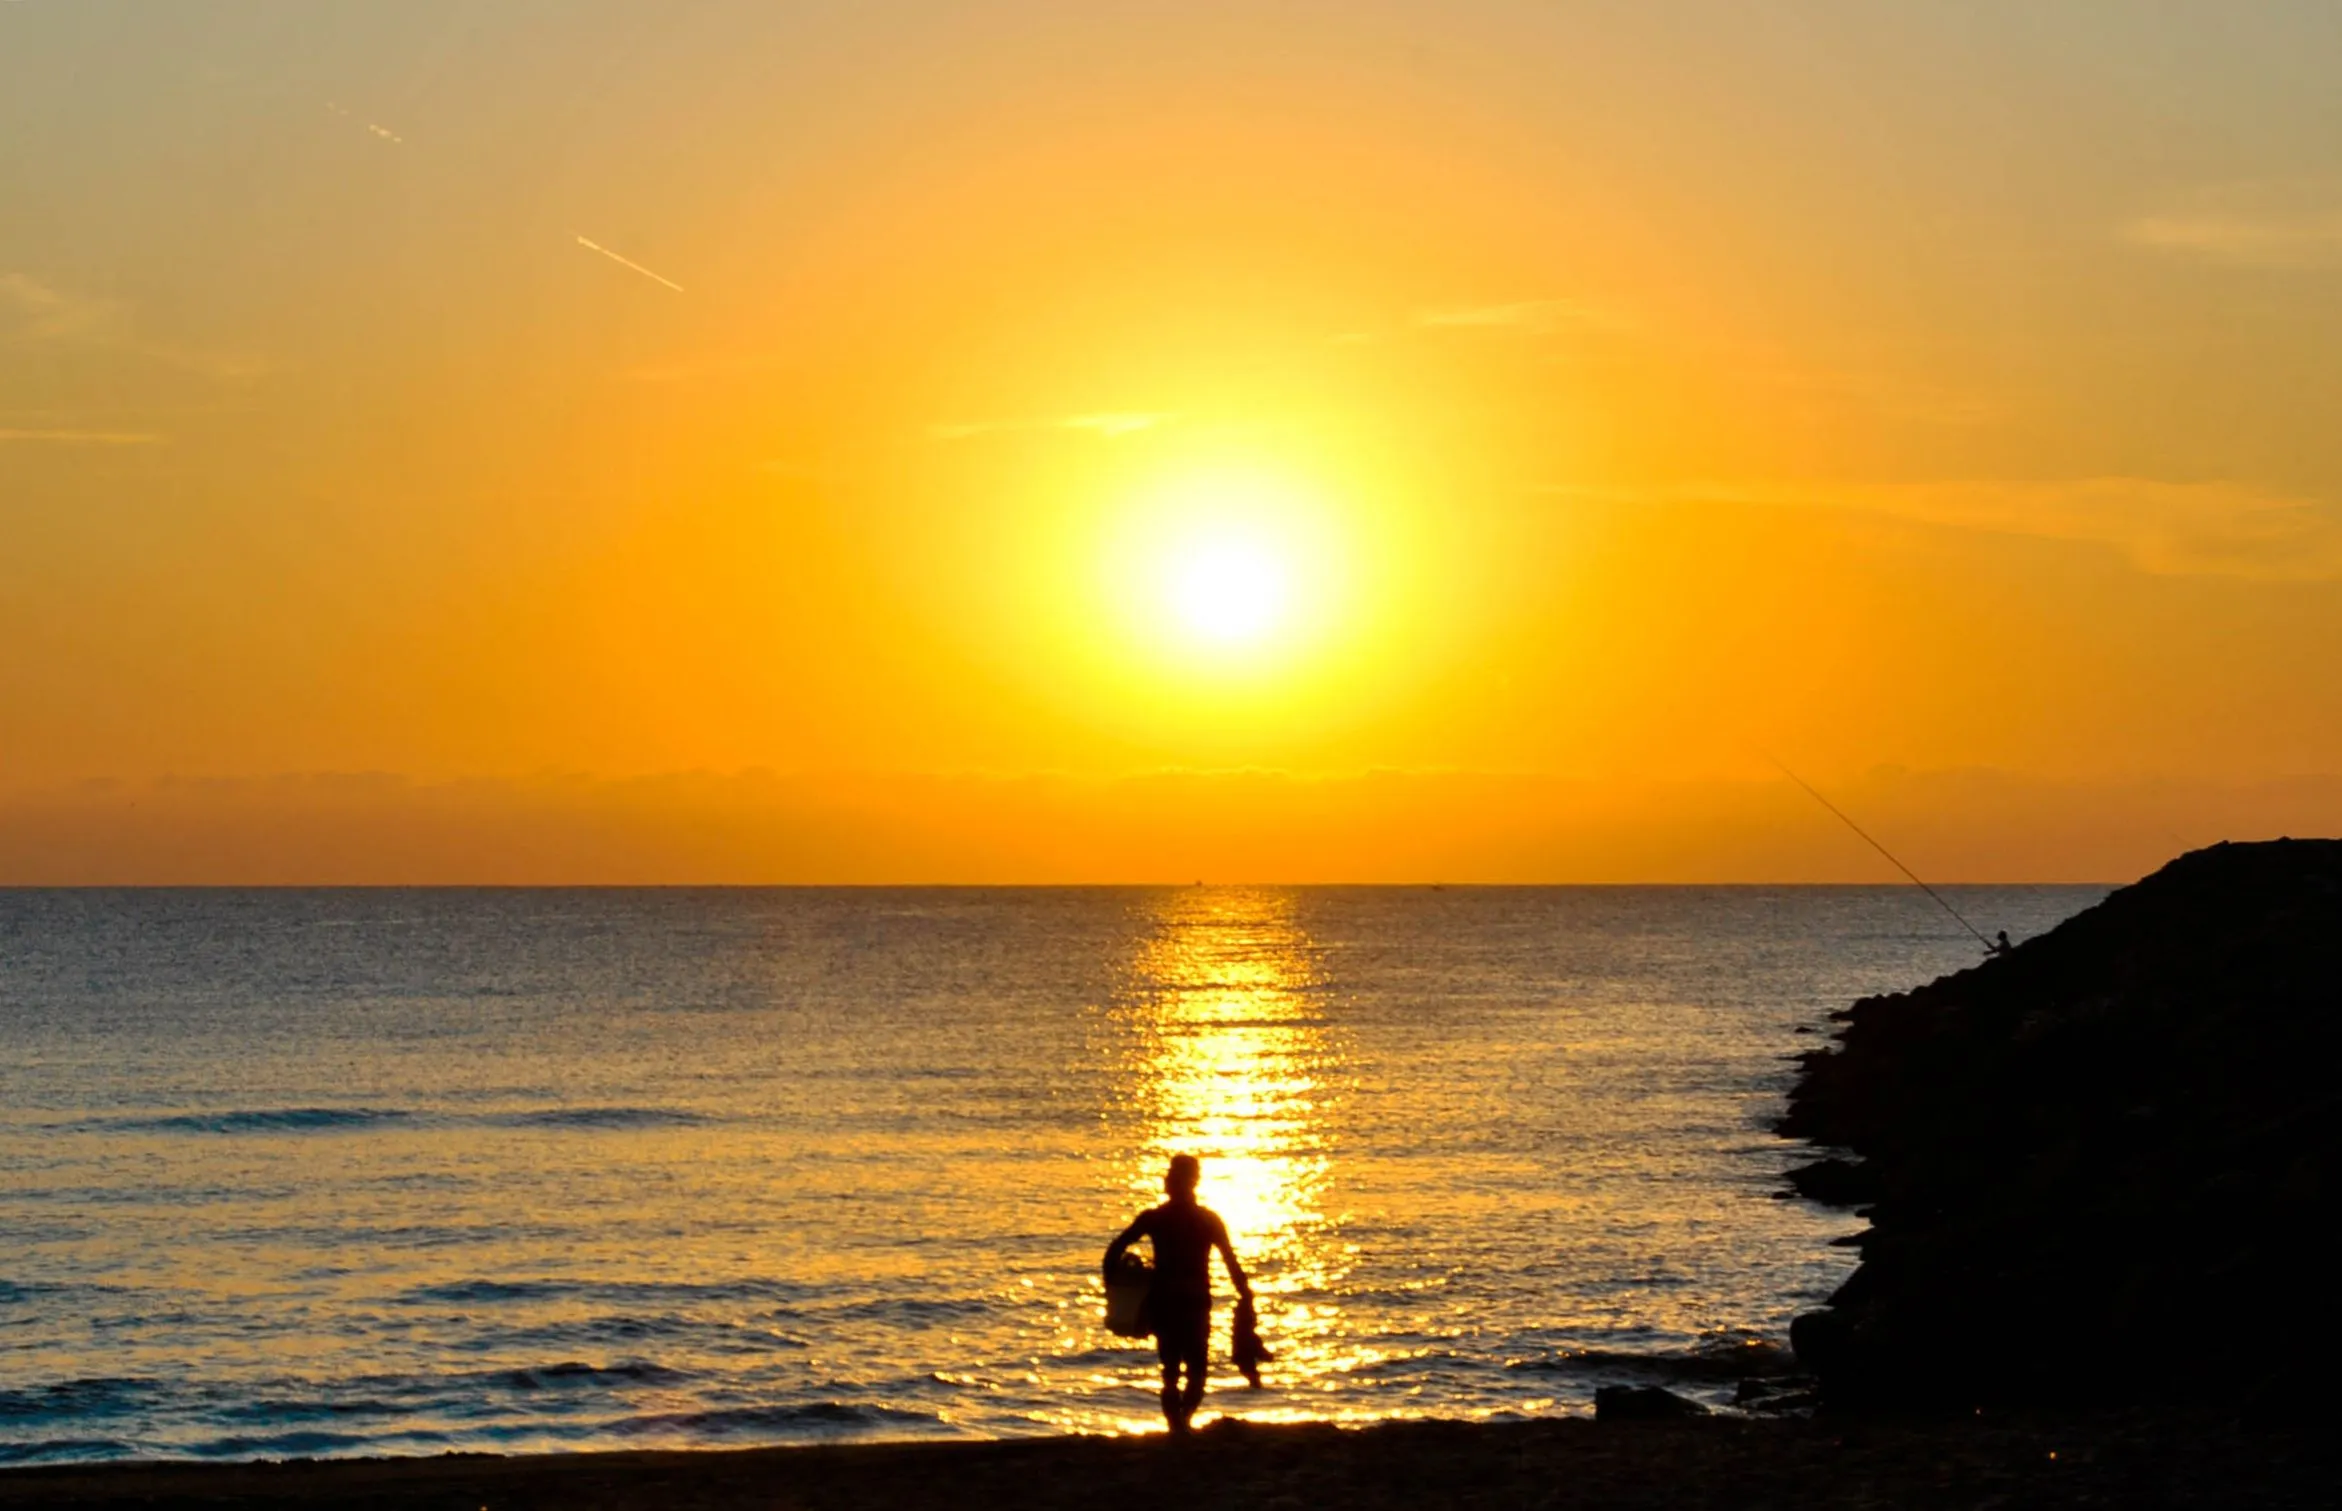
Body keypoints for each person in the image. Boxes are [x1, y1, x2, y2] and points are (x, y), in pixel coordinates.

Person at [1103, 1154, 1251, 1433]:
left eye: (1171, 1175)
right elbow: (1232, 1263)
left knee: (1171, 1371)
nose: (1166, 1179)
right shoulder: (1207, 1220)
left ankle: (1178, 1424)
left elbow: (1115, 1248)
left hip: (1167, 1302)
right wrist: (1245, 1295)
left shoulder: (1156, 1218)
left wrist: (1112, 1282)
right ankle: (1181, 1421)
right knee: (1196, 1371)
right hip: (1192, 1302)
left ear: (1176, 1182)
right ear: (1194, 1182)